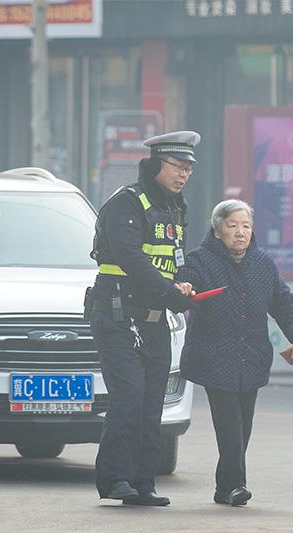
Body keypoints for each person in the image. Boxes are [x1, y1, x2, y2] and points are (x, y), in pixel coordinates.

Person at [86, 130, 201, 506]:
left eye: (188, 168)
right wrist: (170, 293)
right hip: (119, 316)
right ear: (154, 165)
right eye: (177, 166)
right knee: (129, 397)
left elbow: (175, 259)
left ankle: (143, 482)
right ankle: (115, 479)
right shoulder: (127, 204)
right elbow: (131, 258)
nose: (183, 174)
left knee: (153, 403)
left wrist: (183, 285)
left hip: (155, 319)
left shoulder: (176, 207)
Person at [176, 199, 293, 507]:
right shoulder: (200, 259)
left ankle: (224, 488)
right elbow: (185, 277)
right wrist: (182, 286)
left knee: (243, 425)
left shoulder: (263, 263)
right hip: (214, 355)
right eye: (233, 226)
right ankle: (237, 485)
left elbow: (284, 302)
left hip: (251, 356)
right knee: (229, 424)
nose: (240, 233)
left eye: (246, 226)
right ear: (217, 229)